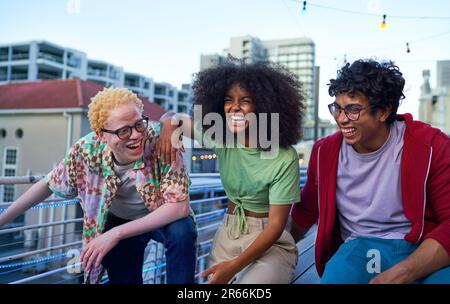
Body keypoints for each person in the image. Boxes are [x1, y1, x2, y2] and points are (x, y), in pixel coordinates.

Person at [0, 87, 197, 284]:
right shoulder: (86, 150)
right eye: (123, 131)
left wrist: (115, 234)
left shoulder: (161, 140)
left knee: (183, 231)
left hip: (158, 216)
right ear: (101, 135)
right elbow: (48, 184)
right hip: (117, 219)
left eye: (139, 124)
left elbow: (179, 207)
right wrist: (2, 220)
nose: (136, 135)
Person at [290, 59, 450, 284]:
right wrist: (277, 250)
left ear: (383, 111)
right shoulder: (324, 152)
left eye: (353, 110)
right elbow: (306, 210)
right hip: (358, 247)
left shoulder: (432, 146)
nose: (342, 119)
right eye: (337, 108)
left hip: (420, 245)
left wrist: (404, 272)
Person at [159, 61, 305, 284]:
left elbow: (276, 226)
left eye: (245, 101)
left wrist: (233, 267)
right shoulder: (222, 138)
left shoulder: (284, 157)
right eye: (229, 100)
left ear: (265, 106)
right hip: (228, 234)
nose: (234, 107)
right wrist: (168, 125)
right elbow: (173, 117)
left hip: (268, 242)